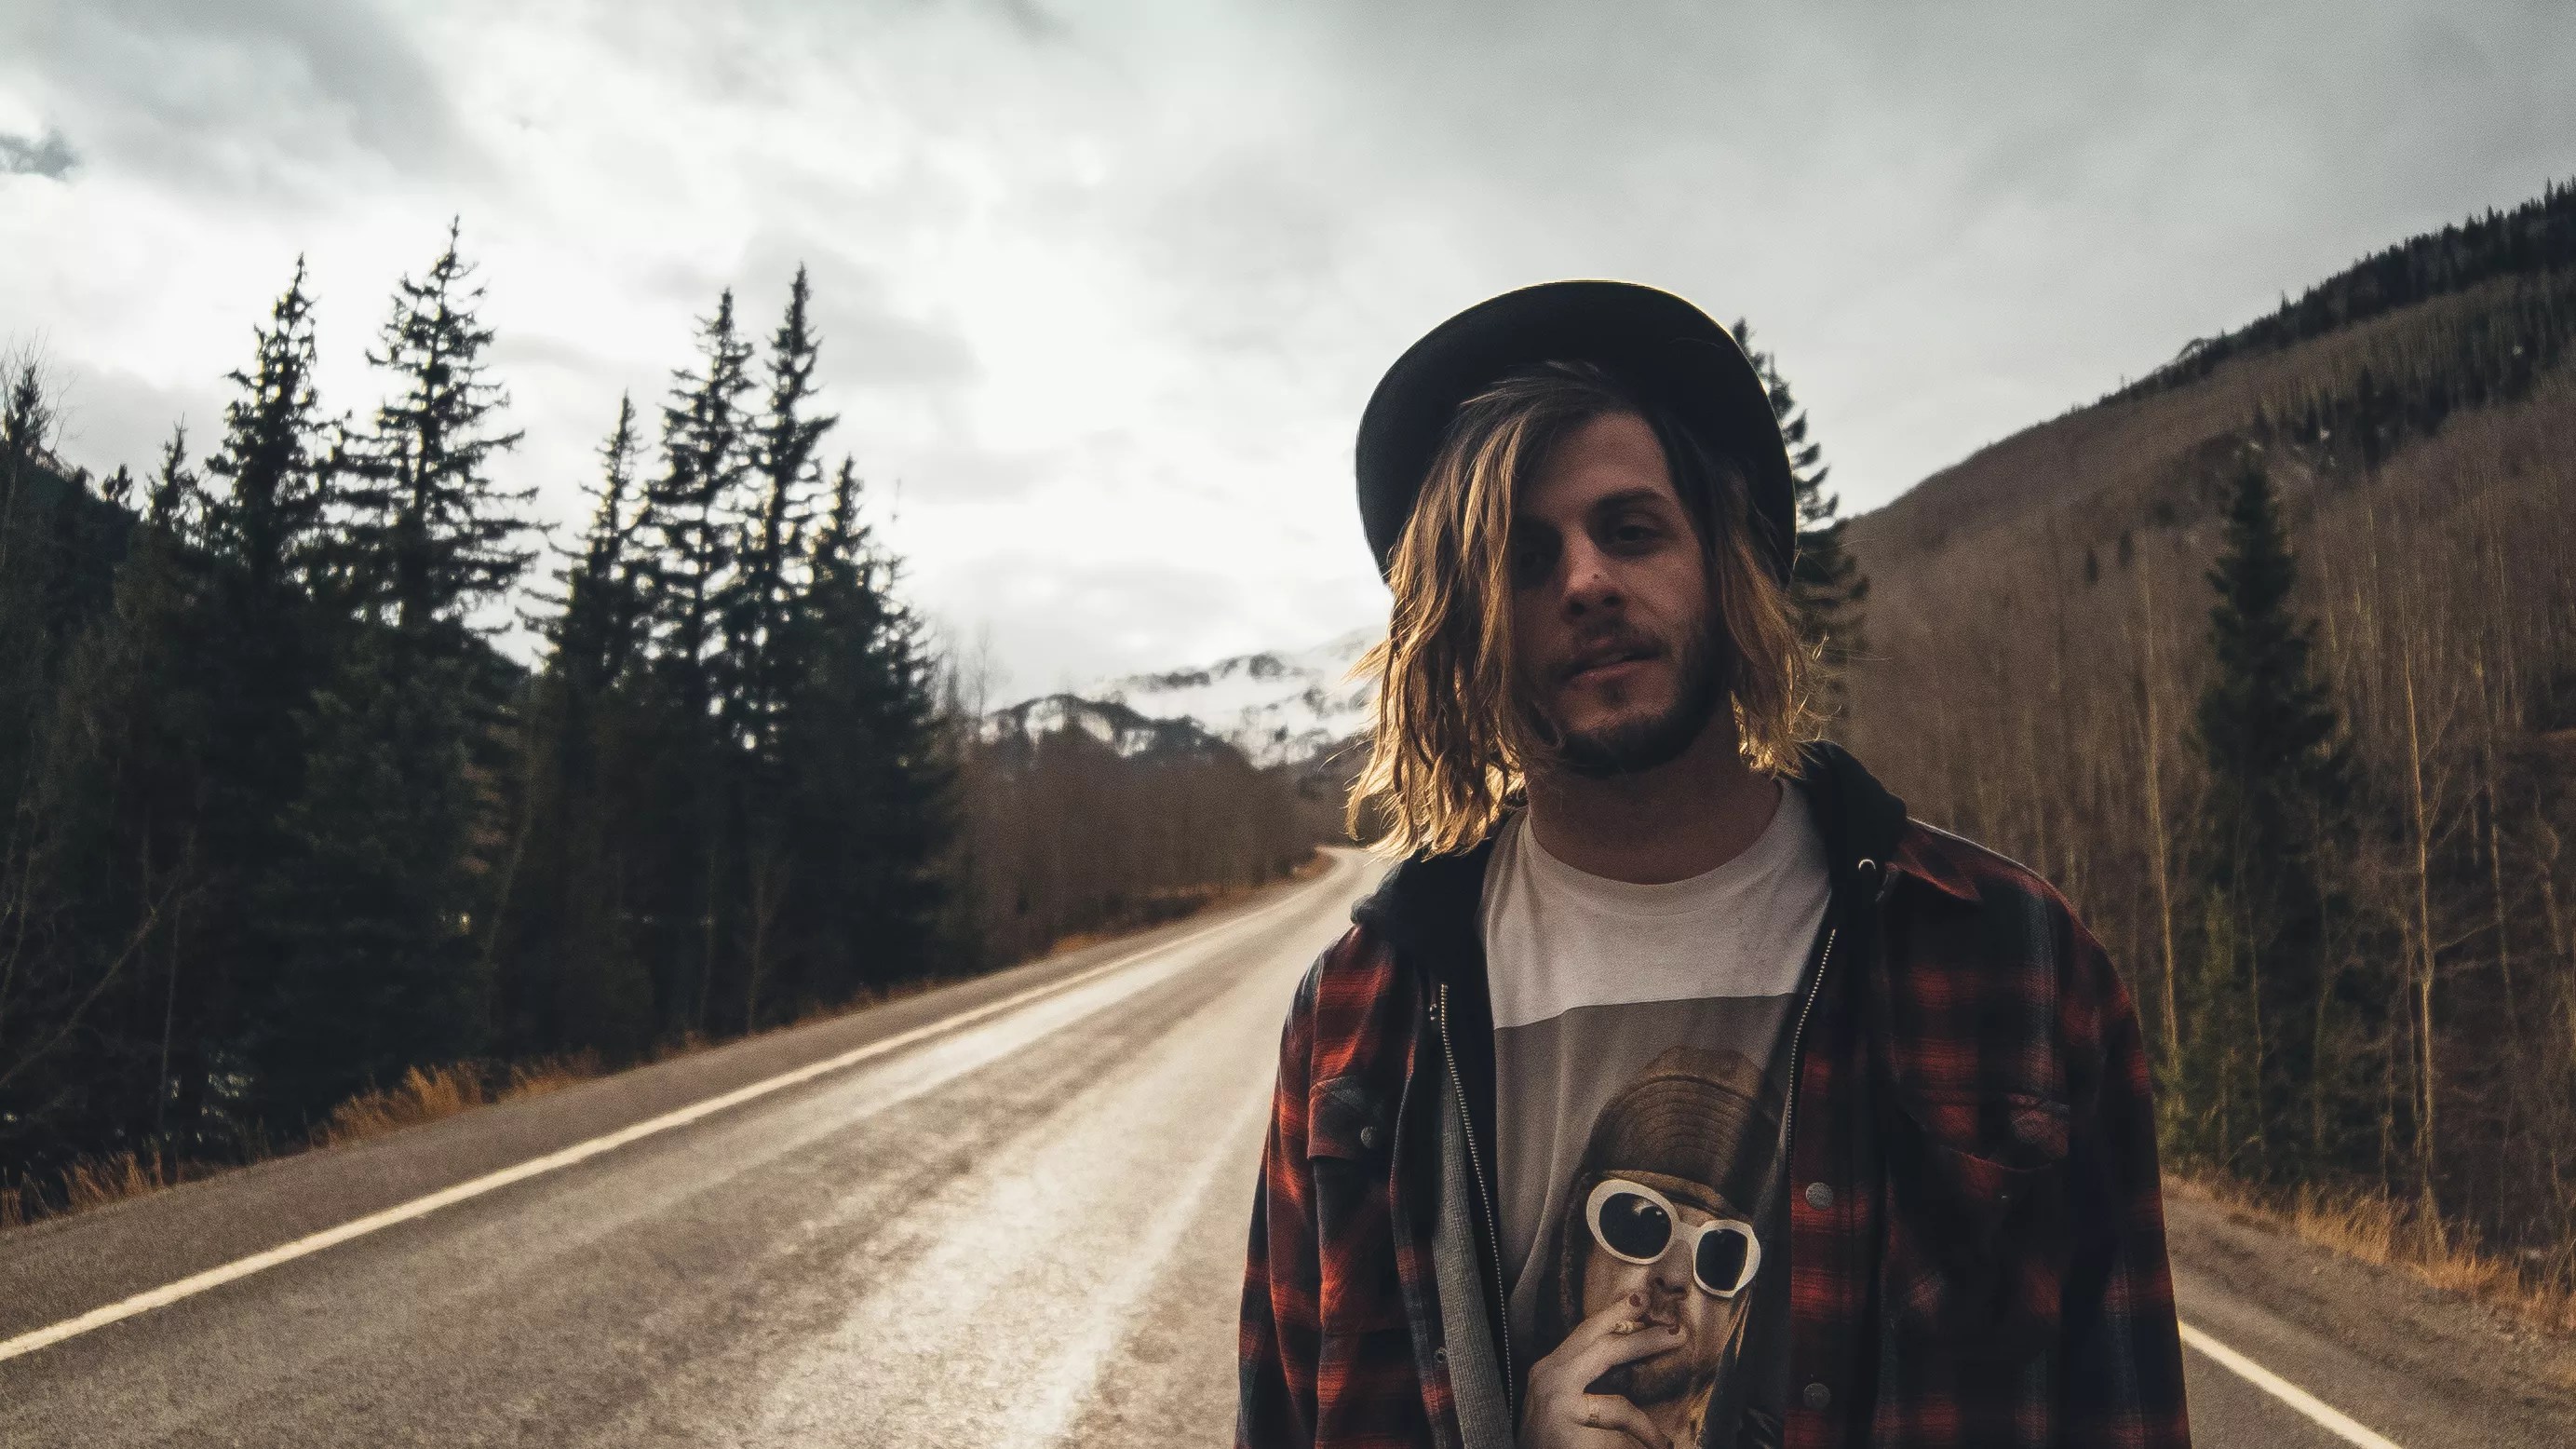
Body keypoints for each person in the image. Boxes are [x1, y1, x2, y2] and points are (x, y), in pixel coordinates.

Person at [1235, 280, 2190, 1449]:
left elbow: (2126, 1407)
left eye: (1630, 530)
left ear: (1725, 564)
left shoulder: (2011, 961)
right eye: (1524, 559)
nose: (1584, 581)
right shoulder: (1359, 1020)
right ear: (1466, 622)